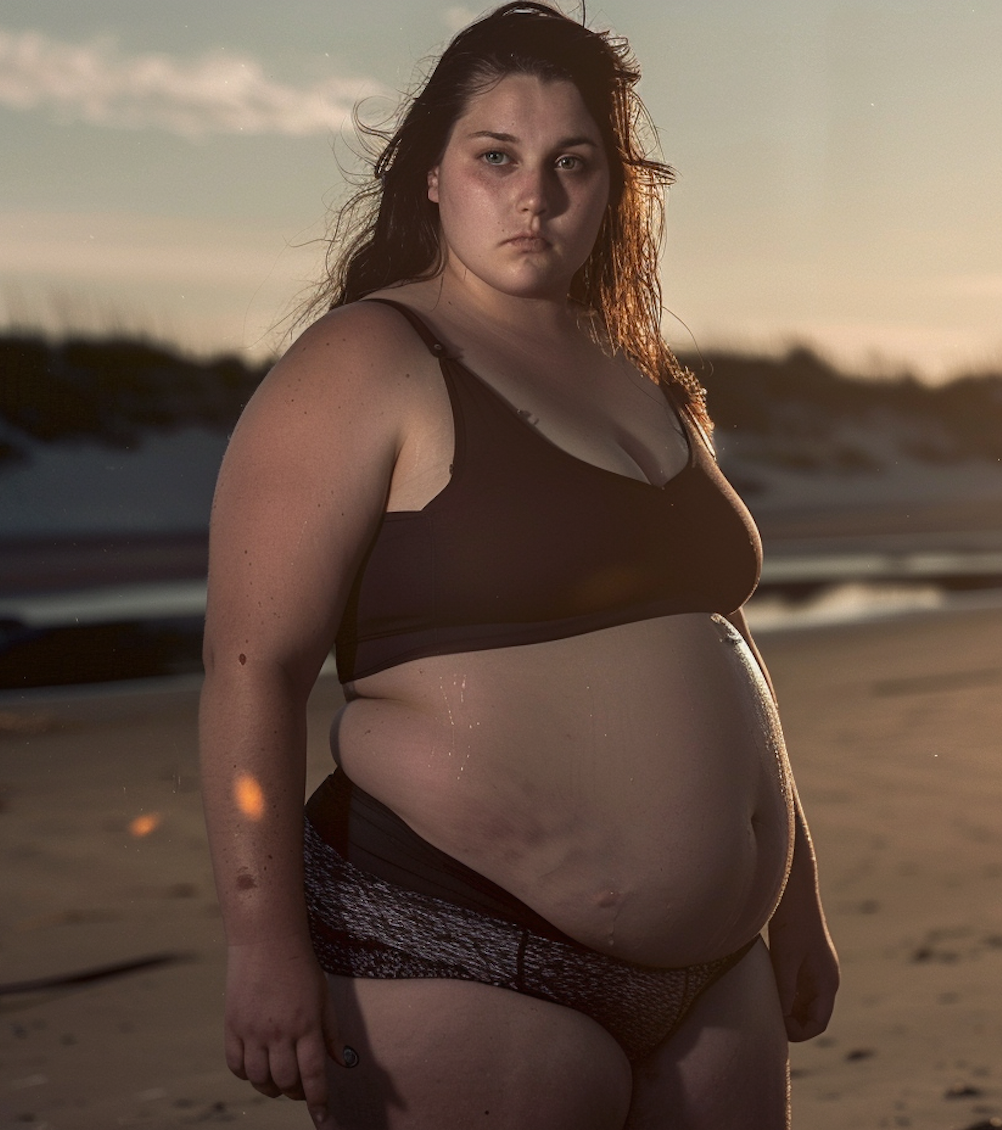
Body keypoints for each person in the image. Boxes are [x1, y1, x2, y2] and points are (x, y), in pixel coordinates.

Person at [198, 4, 839, 1127]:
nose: (534, 194)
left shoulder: (637, 373)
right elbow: (252, 668)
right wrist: (261, 942)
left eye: (570, 163)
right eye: (496, 156)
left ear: (612, 188)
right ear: (433, 177)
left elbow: (721, 641)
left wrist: (798, 902)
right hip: (456, 943)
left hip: (718, 974)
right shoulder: (369, 359)